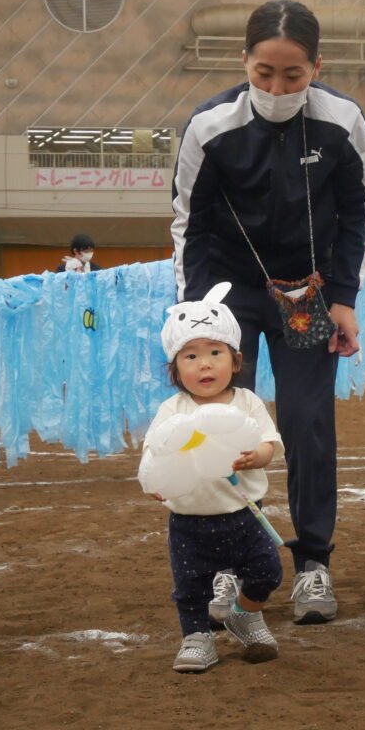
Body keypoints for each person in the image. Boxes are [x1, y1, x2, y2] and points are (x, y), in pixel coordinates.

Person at [171, 0, 365, 625]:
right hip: (228, 297)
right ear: (244, 63)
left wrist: (344, 298)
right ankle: (229, 564)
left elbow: (356, 216)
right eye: (264, 73)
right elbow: (189, 223)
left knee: (309, 423)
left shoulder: (343, 123)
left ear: (317, 65)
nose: (277, 87)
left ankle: (314, 566)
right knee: (226, 425)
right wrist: (196, 318)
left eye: (293, 75)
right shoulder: (209, 127)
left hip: (307, 296)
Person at [144, 283, 284, 673]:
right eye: (191, 356)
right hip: (189, 521)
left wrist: (256, 456)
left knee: (267, 572)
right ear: (175, 368)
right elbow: (154, 454)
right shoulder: (171, 410)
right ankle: (196, 638)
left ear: (236, 360)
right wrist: (156, 482)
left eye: (215, 353)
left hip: (244, 514)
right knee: (191, 588)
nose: (204, 364)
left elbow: (270, 445)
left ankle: (244, 615)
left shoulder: (247, 402)